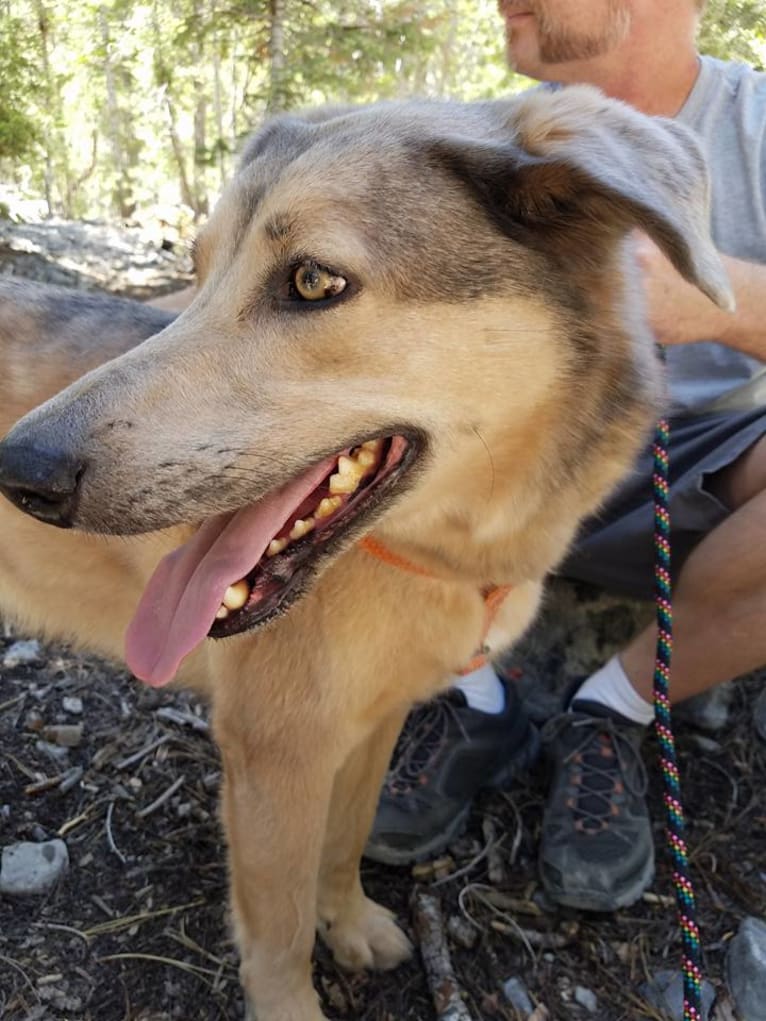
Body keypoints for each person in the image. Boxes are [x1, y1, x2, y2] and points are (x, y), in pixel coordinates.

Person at [365, 0, 766, 912]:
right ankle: (474, 699)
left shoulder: (757, 126)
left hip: (702, 462)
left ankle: (612, 710)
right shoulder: (468, 142)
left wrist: (717, 299)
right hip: (504, 471)